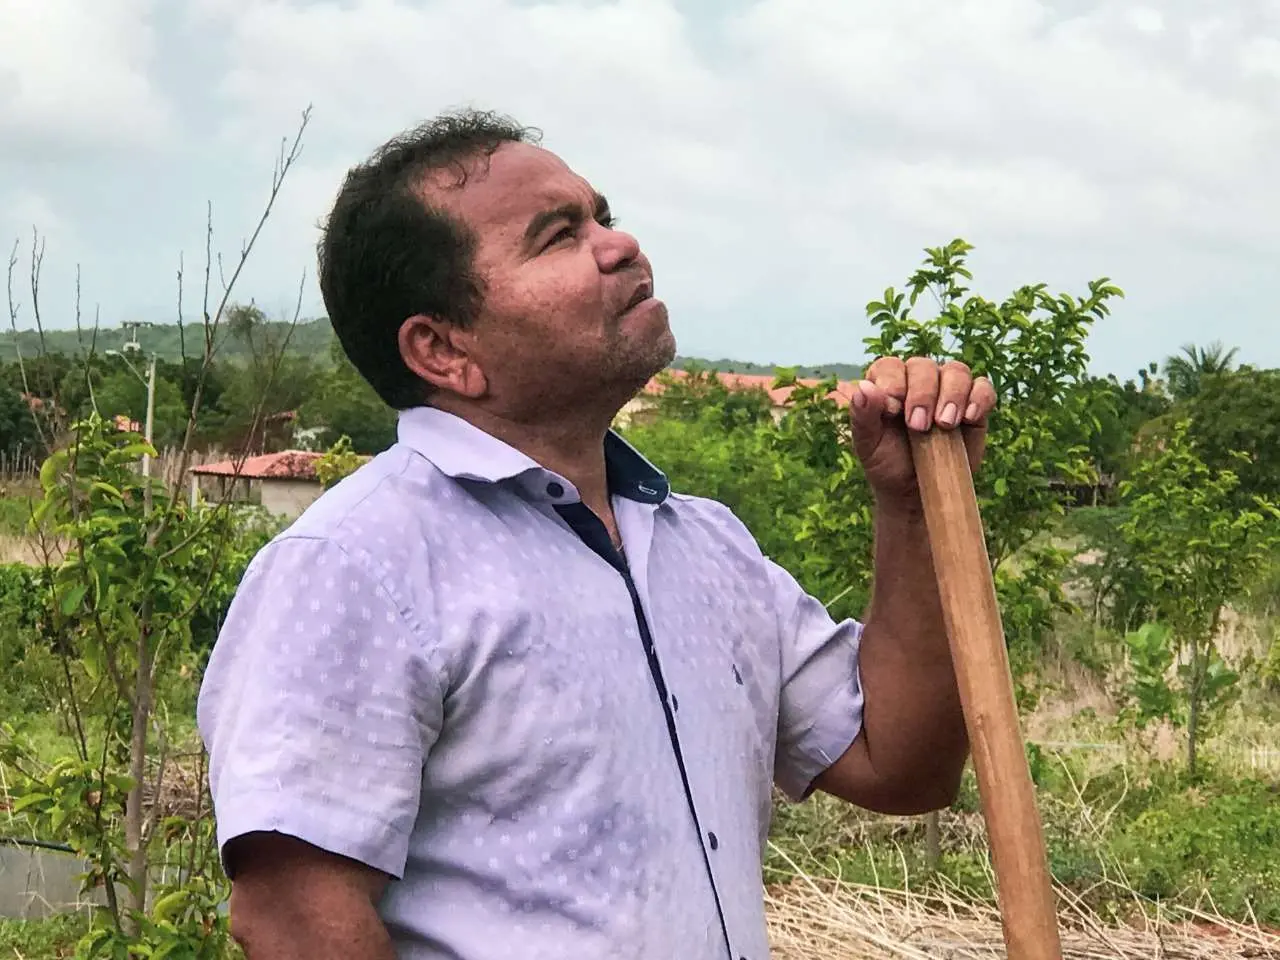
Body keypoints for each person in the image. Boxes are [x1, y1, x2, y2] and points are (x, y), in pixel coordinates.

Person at [196, 108, 997, 960]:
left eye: (602, 215)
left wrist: (914, 514)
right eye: (557, 236)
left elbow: (900, 764)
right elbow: (291, 917)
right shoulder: (357, 566)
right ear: (442, 349)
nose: (619, 245)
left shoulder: (706, 548)